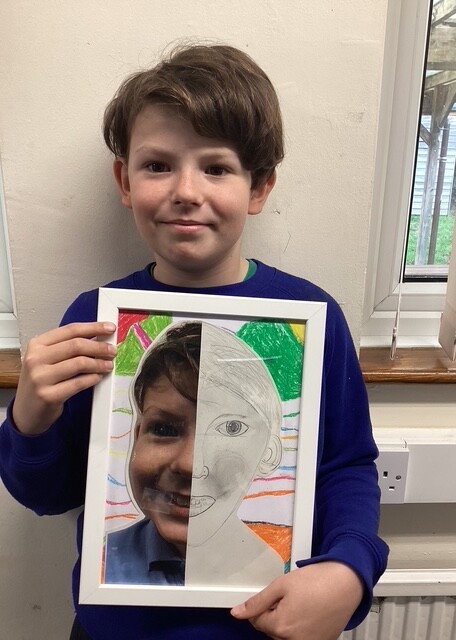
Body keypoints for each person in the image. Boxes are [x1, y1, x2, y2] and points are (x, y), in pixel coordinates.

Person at [0, 43, 388, 640]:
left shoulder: (314, 321)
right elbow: (50, 496)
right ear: (125, 181)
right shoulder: (94, 322)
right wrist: (30, 421)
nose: (186, 190)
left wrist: (350, 569)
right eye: (158, 165)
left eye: (216, 168)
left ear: (259, 188)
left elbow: (345, 466)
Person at [105, 320, 285, 588]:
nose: (190, 464)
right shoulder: (106, 561)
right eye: (164, 429)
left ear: (269, 452)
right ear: (137, 437)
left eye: (230, 428)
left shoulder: (281, 572)